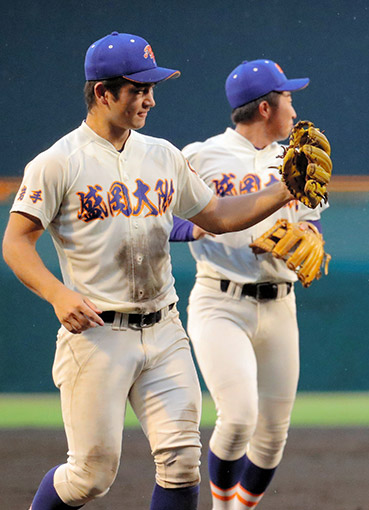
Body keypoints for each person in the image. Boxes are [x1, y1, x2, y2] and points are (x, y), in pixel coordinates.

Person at [2, 33, 295, 510]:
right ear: (103, 93)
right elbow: (15, 242)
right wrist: (57, 294)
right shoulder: (59, 162)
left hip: (164, 329)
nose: (150, 99)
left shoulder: (161, 154)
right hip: (99, 334)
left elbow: (217, 215)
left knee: (182, 463)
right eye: (138, 89)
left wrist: (285, 190)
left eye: (150, 88)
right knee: (89, 477)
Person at [170, 59, 326, 509]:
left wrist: (305, 241)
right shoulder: (200, 155)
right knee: (238, 418)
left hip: (280, 305)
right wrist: (197, 228)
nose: (294, 110)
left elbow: (311, 223)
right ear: (264, 108)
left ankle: (238, 508)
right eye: (288, 99)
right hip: (220, 301)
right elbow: (157, 219)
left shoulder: (298, 158)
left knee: (273, 434)